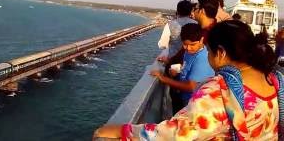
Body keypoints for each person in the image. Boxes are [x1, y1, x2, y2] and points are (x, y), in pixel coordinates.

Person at [93, 20, 283, 140]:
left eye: (209, 52)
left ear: (222, 53)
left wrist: (123, 131)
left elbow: (178, 134)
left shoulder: (220, 91)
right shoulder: (274, 80)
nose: (208, 58)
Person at [151, 23, 214, 113]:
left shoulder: (202, 59)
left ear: (201, 40)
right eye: (185, 44)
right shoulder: (191, 52)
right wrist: (175, 68)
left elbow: (191, 87)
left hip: (194, 104)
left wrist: (163, 78)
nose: (188, 48)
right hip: (185, 98)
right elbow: (188, 67)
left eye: (192, 44)